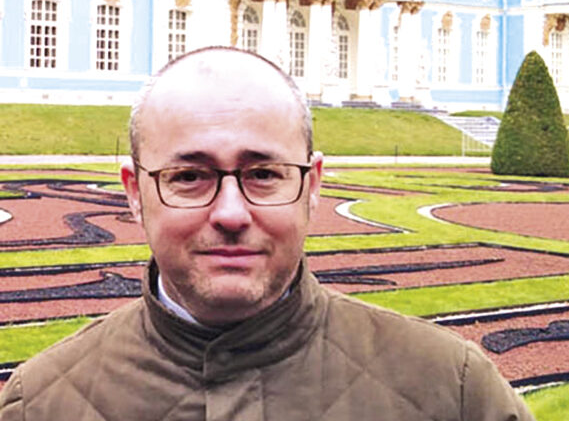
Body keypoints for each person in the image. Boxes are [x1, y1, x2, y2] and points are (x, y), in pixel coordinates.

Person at [0, 47, 532, 421]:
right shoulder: (38, 404)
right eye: (189, 177)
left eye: (263, 174)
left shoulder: (454, 392)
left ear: (313, 184)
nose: (231, 213)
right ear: (135, 192)